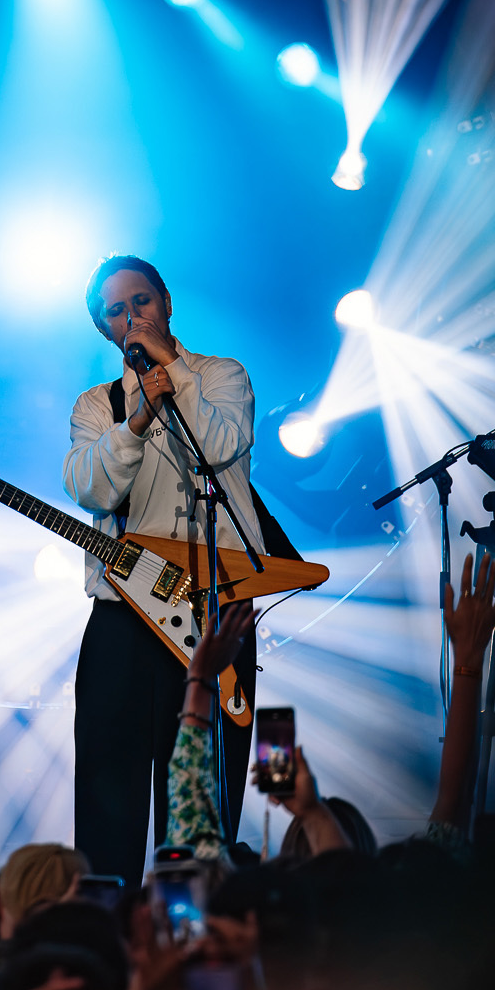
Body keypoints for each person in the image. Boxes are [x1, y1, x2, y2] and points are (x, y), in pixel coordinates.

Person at [64, 255, 296, 885]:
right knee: (108, 792)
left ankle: (200, 925)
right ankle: (108, 923)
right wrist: (137, 417)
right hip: (121, 616)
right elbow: (89, 489)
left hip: (215, 608)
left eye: (141, 301)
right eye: (116, 311)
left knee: (200, 789)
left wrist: (174, 372)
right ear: (106, 329)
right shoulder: (97, 404)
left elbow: (219, 449)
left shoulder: (221, 375)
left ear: (166, 304)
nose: (132, 317)